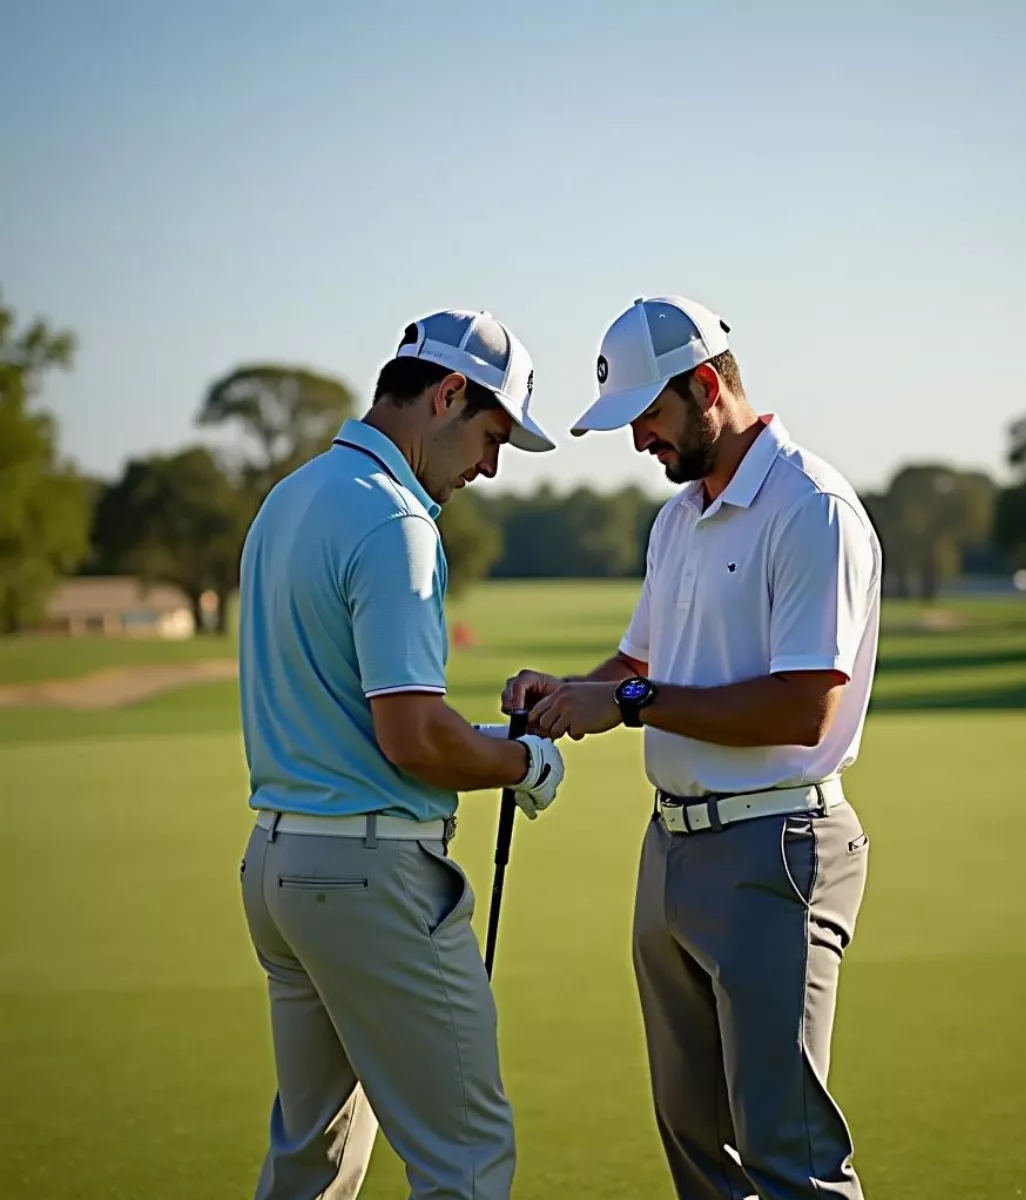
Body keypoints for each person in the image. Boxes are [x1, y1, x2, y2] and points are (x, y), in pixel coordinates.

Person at [503, 296, 882, 1200]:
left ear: (708, 387)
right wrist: (566, 692)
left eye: (650, 418)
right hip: (671, 847)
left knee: (787, 1152)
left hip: (776, 849)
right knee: (694, 1142)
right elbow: (641, 662)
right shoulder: (679, 517)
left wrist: (629, 702)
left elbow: (803, 710)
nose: (640, 443)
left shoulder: (811, 508)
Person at [237, 309, 565, 1200]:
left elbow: (361, 712)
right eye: (491, 437)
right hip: (369, 876)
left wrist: (487, 744)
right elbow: (412, 737)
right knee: (465, 1155)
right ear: (449, 394)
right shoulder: (397, 523)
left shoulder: (291, 497)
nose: (490, 467)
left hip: (280, 866)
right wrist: (522, 766)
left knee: (313, 1159)